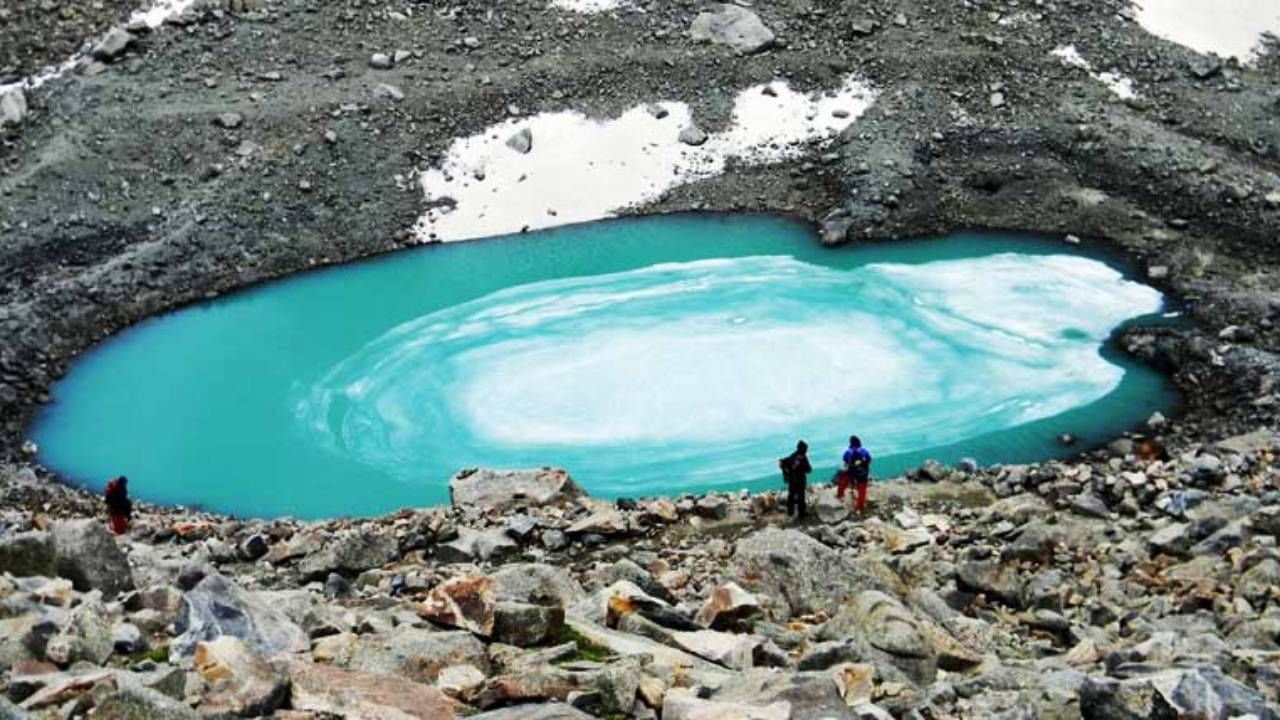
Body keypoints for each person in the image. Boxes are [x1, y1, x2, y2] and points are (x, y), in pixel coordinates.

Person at [779, 440, 812, 519]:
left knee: (791, 496)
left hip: (792, 480)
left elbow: (782, 462)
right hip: (800, 480)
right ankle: (802, 514)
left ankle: (790, 512)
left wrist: (787, 473)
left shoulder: (792, 456)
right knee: (801, 497)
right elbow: (809, 469)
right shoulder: (803, 458)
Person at [843, 436, 873, 514]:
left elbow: (845, 459)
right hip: (863, 474)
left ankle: (854, 504)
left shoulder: (848, 452)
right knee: (862, 491)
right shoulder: (864, 451)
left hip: (853, 474)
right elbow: (869, 459)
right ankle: (859, 508)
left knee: (853, 488)